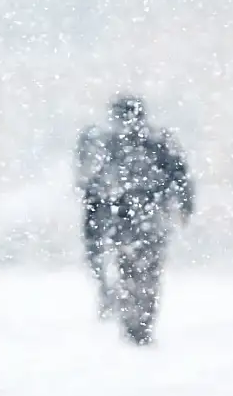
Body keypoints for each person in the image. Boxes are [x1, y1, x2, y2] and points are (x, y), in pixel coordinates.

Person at [92, 94, 194, 345]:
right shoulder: (157, 141)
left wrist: (101, 218)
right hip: (150, 218)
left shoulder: (113, 145)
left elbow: (99, 186)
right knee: (147, 274)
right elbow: (180, 175)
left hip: (127, 220)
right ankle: (141, 322)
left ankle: (134, 323)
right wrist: (183, 205)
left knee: (131, 271)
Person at [74, 123, 113, 318]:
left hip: (98, 207)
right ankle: (112, 292)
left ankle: (108, 291)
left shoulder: (97, 139)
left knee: (96, 254)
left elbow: (83, 176)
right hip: (106, 209)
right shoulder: (103, 140)